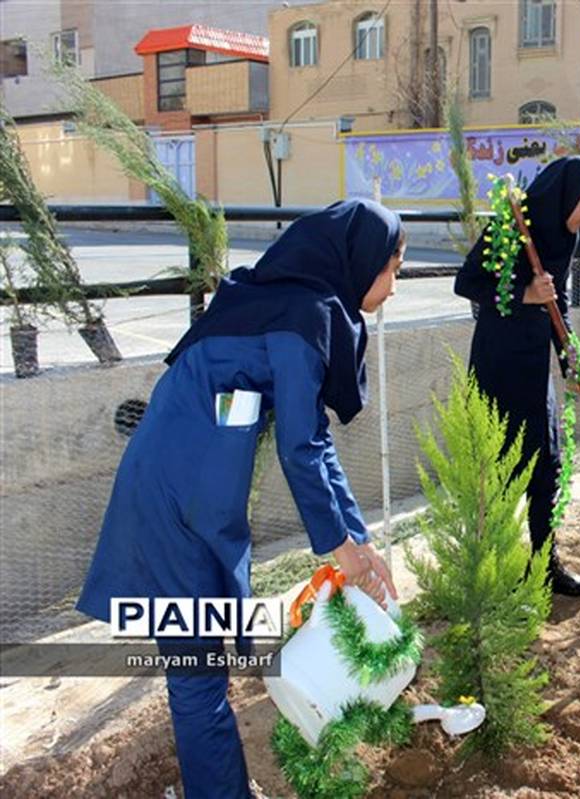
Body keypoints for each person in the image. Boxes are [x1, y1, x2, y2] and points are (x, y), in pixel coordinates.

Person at [76, 200, 405, 798]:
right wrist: (336, 548)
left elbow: (316, 442)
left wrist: (359, 542)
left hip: (199, 497)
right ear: (361, 263)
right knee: (197, 673)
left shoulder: (295, 310)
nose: (395, 287)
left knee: (203, 663)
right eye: (394, 270)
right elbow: (299, 451)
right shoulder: (299, 322)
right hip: (173, 501)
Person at [453, 156, 580, 597]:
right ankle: (493, 575)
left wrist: (570, 356)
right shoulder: (511, 224)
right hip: (499, 365)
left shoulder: (564, 237)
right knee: (500, 472)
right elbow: (467, 283)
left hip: (536, 366)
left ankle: (544, 566)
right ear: (568, 196)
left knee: (548, 467)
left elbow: (558, 304)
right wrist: (524, 293)